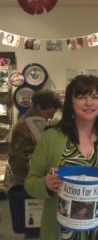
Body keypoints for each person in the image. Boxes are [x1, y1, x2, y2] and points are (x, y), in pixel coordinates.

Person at [24, 75, 98, 240]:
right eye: (81, 97)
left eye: (95, 97)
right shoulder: (51, 137)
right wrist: (45, 183)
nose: (89, 103)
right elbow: (30, 182)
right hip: (59, 231)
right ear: (71, 102)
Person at [7, 89, 62, 236]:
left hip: (35, 182)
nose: (51, 116)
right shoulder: (25, 126)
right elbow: (21, 160)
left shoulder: (36, 123)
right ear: (39, 106)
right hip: (26, 183)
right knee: (32, 228)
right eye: (50, 111)